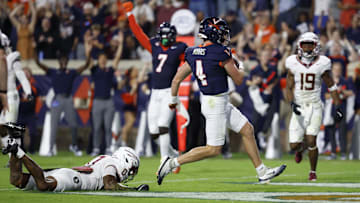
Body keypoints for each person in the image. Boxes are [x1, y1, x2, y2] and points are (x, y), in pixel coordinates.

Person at [156, 17, 286, 185]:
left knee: (247, 130)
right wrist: (239, 65)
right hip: (215, 103)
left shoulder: (192, 52)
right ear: (215, 34)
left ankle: (262, 172)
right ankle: (172, 163)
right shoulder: (220, 53)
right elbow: (239, 80)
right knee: (213, 149)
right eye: (223, 33)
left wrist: (174, 100)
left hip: (213, 100)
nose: (225, 37)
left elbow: (176, 80)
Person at [122, 2, 187, 162]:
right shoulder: (155, 45)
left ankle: (165, 159)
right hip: (155, 92)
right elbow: (138, 33)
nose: (164, 41)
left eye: (166, 38)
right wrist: (130, 15)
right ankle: (172, 153)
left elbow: (192, 60)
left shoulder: (180, 48)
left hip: (169, 93)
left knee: (163, 125)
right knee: (153, 131)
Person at [2, 123, 147, 192]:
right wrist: (134, 189)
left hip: (68, 173)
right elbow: (109, 184)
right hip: (75, 179)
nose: (132, 173)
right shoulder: (111, 163)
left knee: (17, 180)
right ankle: (18, 151)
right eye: (132, 169)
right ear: (125, 160)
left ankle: (14, 141)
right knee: (43, 185)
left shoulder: (107, 159)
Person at [285, 32, 343, 181]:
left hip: (315, 105)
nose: (307, 48)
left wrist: (338, 106)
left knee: (312, 140)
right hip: (299, 105)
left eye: (310, 44)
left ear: (316, 46)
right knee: (293, 146)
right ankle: (300, 149)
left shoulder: (322, 63)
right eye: (305, 44)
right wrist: (292, 103)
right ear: (299, 46)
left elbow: (331, 85)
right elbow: (288, 87)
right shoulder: (292, 62)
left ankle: (312, 172)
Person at [34, 44, 92, 157]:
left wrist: (88, 53)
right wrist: (35, 49)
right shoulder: (53, 72)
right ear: (59, 61)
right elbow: (38, 63)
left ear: (68, 61)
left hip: (68, 99)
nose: (64, 61)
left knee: (74, 124)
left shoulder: (71, 72)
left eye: (65, 60)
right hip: (57, 99)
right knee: (53, 125)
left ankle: (74, 146)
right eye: (62, 60)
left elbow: (86, 65)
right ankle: (50, 149)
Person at [89, 33, 123, 156]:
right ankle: (96, 148)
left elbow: (117, 59)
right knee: (97, 127)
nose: (103, 60)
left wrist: (121, 44)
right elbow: (89, 60)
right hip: (97, 100)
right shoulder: (95, 70)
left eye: (104, 58)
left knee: (108, 127)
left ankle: (108, 147)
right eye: (101, 58)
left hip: (108, 101)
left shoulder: (109, 70)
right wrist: (89, 46)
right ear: (98, 60)